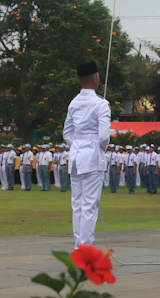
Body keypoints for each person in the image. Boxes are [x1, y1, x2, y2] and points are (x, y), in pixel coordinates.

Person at [63, 61, 111, 248]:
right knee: (90, 205)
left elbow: (67, 132)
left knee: (78, 205)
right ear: (95, 78)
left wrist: (77, 145)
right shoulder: (100, 103)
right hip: (92, 155)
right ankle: (85, 248)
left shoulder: (74, 102)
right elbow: (104, 136)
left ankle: (79, 246)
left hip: (76, 156)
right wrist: (97, 148)